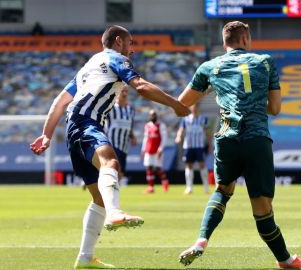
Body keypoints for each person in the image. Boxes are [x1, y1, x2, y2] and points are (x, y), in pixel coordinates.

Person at [30, 25, 189, 269]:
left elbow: (60, 101)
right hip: (86, 123)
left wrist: (46, 134)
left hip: (74, 126)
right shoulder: (116, 59)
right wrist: (174, 104)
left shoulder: (89, 66)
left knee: (98, 197)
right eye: (130, 43)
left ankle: (85, 258)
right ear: (118, 41)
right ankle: (115, 214)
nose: (132, 50)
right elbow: (142, 86)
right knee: (111, 163)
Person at [176, 21, 301, 269]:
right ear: (246, 39)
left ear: (224, 42)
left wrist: (210, 90)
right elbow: (275, 109)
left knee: (222, 191)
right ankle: (285, 260)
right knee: (262, 208)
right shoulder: (265, 62)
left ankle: (201, 240)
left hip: (227, 139)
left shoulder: (209, 66)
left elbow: (182, 104)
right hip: (256, 139)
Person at [175, 103, 211, 195]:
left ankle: (206, 187)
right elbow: (181, 130)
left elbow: (207, 132)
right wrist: (178, 137)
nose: (194, 110)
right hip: (188, 146)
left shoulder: (203, 119)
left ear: (198, 108)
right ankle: (189, 187)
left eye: (195, 108)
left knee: (202, 165)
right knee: (189, 165)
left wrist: (209, 144)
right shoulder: (186, 119)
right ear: (191, 108)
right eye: (193, 108)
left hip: (199, 146)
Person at [104, 84, 137, 186]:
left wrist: (133, 136)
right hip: (112, 143)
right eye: (122, 91)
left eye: (126, 91)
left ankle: (113, 190)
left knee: (121, 172)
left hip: (124, 145)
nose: (125, 93)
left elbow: (129, 125)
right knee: (114, 168)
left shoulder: (130, 110)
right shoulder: (111, 108)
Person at [141, 109, 170, 193]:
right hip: (149, 149)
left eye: (154, 115)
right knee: (149, 167)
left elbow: (164, 138)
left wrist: (161, 148)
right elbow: (145, 138)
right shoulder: (147, 126)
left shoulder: (161, 125)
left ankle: (165, 182)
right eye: (151, 115)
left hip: (157, 150)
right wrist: (143, 150)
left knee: (158, 168)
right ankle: (151, 187)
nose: (152, 116)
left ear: (156, 116)